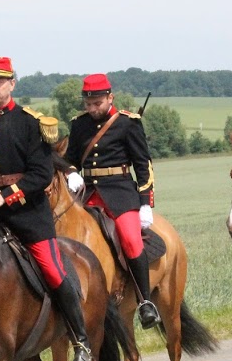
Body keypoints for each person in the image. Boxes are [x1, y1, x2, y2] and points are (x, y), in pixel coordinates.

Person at [0, 57, 92, 361]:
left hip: (28, 216)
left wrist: (5, 196)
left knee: (54, 271)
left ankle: (81, 342)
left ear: (12, 84)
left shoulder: (31, 123)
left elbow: (41, 174)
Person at [64, 73, 161, 329]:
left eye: (97, 103)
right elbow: (70, 158)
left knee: (130, 239)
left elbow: (143, 165)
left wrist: (144, 203)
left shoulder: (128, 123)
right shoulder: (79, 125)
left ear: (110, 97)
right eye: (88, 104)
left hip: (120, 193)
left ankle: (144, 302)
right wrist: (71, 172)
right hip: (86, 194)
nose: (93, 109)